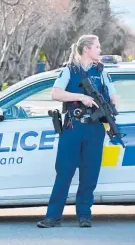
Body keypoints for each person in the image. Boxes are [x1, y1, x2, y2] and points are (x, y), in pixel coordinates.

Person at [36, 35, 118, 228]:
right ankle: (53, 217)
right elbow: (55, 93)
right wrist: (81, 97)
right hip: (73, 127)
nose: (100, 50)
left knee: (90, 173)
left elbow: (113, 96)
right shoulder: (69, 70)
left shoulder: (102, 72)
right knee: (64, 172)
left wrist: (109, 109)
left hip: (95, 129)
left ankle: (84, 215)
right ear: (86, 49)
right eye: (97, 47)